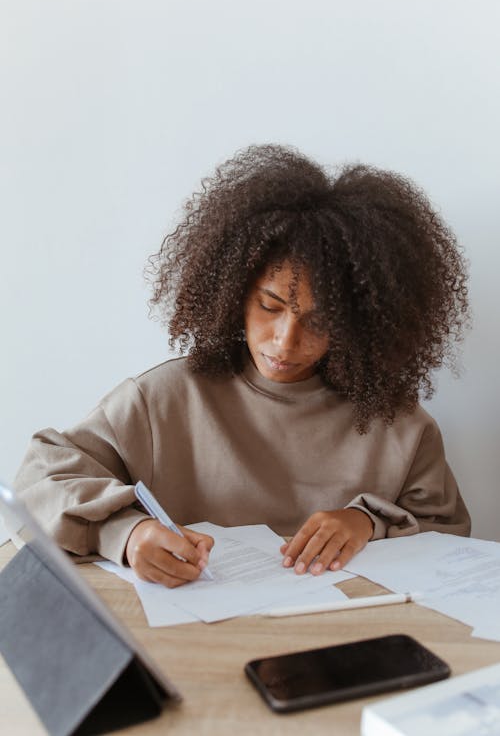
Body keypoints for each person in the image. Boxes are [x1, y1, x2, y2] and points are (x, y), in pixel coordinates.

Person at [14, 144, 471, 589]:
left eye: (319, 322)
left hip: (347, 644)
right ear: (233, 292)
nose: (284, 341)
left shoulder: (399, 425)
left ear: (361, 323)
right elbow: (39, 479)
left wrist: (366, 521)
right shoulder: (165, 399)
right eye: (269, 305)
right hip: (194, 643)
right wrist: (126, 535)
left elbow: (449, 537)